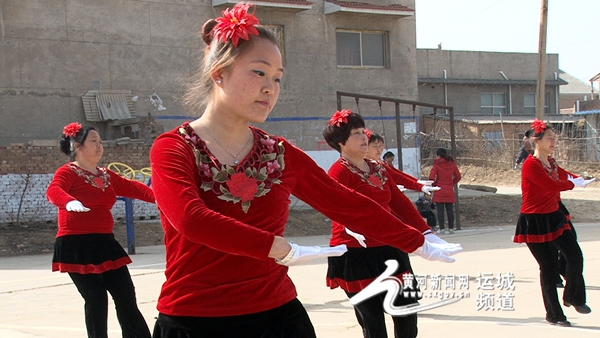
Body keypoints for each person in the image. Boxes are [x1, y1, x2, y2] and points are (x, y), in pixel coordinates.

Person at [148, 4, 457, 338]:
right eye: (259, 72)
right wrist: (279, 248)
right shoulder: (174, 148)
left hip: (278, 318)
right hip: (195, 320)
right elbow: (190, 218)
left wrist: (418, 239)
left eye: (278, 78)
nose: (271, 88)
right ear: (219, 73)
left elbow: (346, 203)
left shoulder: (278, 153)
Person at [323, 111, 462, 338]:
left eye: (362, 131)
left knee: (407, 312)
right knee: (374, 322)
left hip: (391, 247)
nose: (363, 137)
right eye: (355, 134)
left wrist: (426, 233)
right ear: (341, 142)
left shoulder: (378, 168)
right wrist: (349, 224)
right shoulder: (339, 172)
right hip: (357, 253)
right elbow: (336, 207)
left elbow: (398, 202)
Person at [46, 122, 155, 338]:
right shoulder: (68, 172)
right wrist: (68, 202)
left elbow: (132, 187)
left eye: (101, 142)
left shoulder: (106, 175)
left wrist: (162, 198)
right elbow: (54, 190)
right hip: (76, 245)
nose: (99, 146)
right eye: (93, 141)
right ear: (77, 146)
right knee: (96, 298)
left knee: (126, 296)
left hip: (105, 244)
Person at [513, 119, 593, 327]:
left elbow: (564, 175)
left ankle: (573, 296)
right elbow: (550, 185)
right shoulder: (531, 165)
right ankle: (554, 314)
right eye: (549, 138)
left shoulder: (552, 162)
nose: (553, 141)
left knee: (575, 256)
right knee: (547, 268)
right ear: (537, 141)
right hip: (535, 220)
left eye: (554, 138)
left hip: (555, 215)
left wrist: (579, 179)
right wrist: (572, 184)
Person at [429, 148, 461, 234]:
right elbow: (458, 176)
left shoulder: (437, 164)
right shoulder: (452, 164)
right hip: (449, 189)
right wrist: (451, 183)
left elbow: (431, 177)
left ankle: (442, 229)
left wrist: (435, 184)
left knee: (440, 211)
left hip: (439, 189)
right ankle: (451, 228)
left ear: (438, 155)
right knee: (450, 210)